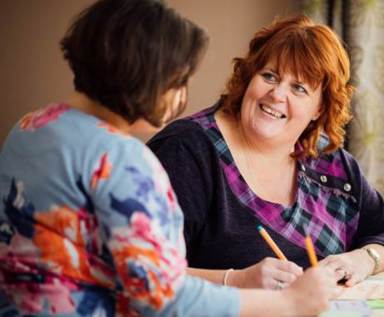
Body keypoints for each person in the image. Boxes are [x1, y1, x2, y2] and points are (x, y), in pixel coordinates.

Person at [0, 2, 341, 316]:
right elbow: (166, 298)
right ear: (143, 78)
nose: (182, 93)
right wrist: (288, 302)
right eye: (177, 81)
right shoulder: (125, 162)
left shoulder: (32, 125)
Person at [148, 14, 384, 291]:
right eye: (269, 76)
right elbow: (138, 272)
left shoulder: (329, 161)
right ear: (249, 76)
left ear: (320, 109)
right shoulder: (185, 150)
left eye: (299, 88)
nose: (277, 95)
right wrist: (235, 280)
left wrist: (362, 260)